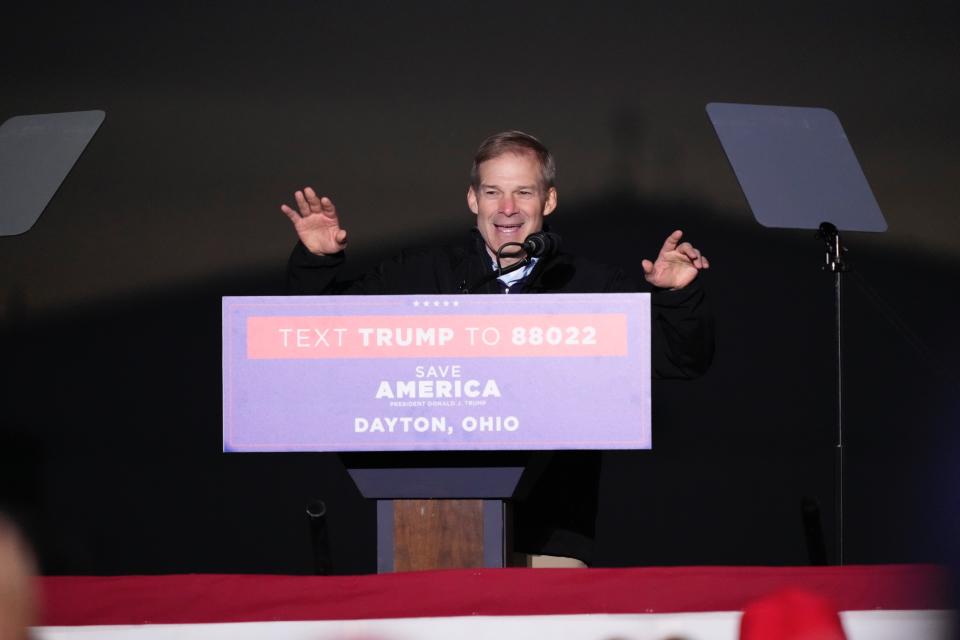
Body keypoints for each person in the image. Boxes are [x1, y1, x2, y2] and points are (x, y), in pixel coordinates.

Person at [281, 130, 713, 565]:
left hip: (550, 538)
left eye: (523, 192)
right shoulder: (415, 275)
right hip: (427, 531)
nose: (507, 209)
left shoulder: (591, 289)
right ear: (473, 200)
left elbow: (681, 359)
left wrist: (678, 297)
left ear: (548, 201)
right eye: (493, 192)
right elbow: (318, 337)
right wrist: (316, 263)